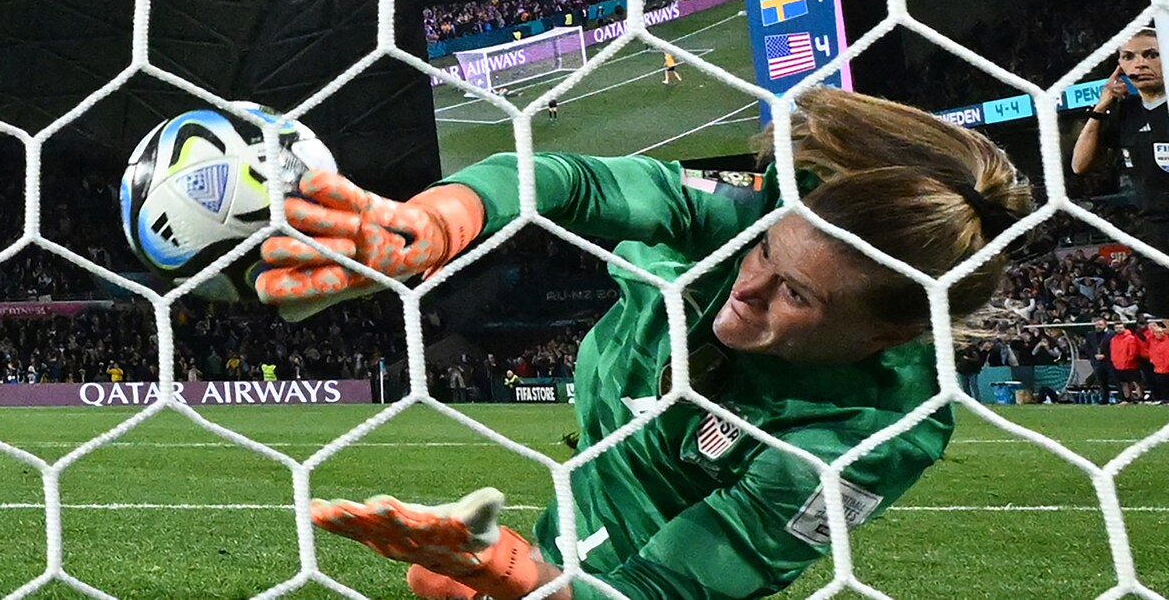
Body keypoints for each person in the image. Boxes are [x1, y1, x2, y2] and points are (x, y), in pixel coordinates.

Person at [255, 87, 1033, 600]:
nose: (749, 286)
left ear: (889, 332)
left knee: (446, 582)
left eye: (796, 294)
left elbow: (664, 587)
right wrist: (441, 220)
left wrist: (510, 570)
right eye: (765, 252)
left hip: (645, 541)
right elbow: (569, 181)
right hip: (610, 431)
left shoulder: (871, 433)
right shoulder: (749, 215)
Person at [1071, 27, 1169, 317]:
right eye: (1129, 57)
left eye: (1151, 55)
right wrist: (1102, 105)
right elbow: (1079, 164)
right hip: (1156, 240)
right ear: (1120, 66)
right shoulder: (1126, 112)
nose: (1140, 63)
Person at [1082, 316, 1114, 404]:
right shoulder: (1091, 335)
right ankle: (1104, 399)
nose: (1098, 327)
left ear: (1105, 324)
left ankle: (1121, 398)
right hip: (1096, 361)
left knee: (1115, 380)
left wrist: (1105, 355)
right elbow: (1087, 347)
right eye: (1096, 325)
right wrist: (1094, 355)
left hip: (1109, 360)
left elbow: (1113, 347)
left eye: (1100, 325)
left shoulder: (1111, 334)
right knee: (1101, 381)